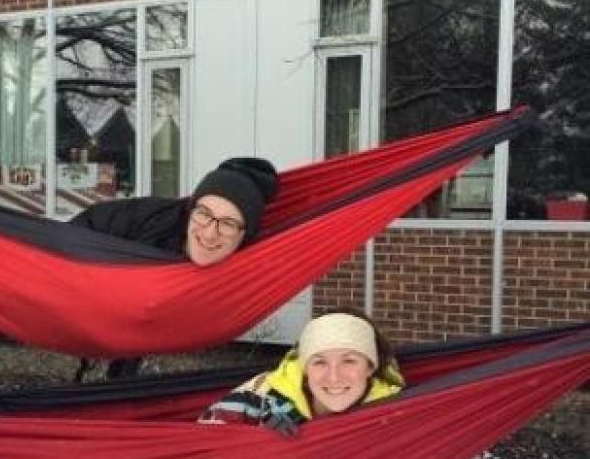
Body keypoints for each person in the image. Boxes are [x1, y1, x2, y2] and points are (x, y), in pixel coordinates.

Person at [70, 157, 280, 380]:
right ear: (190, 212)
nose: (209, 234)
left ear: (243, 236)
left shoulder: (243, 273)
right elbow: (71, 238)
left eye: (228, 223)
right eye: (204, 214)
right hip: (78, 270)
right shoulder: (152, 222)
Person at [198, 309, 405, 434]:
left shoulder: (397, 412)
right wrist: (261, 442)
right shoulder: (257, 398)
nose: (333, 376)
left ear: (370, 367)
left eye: (349, 361)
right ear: (304, 367)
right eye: (319, 362)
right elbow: (202, 444)